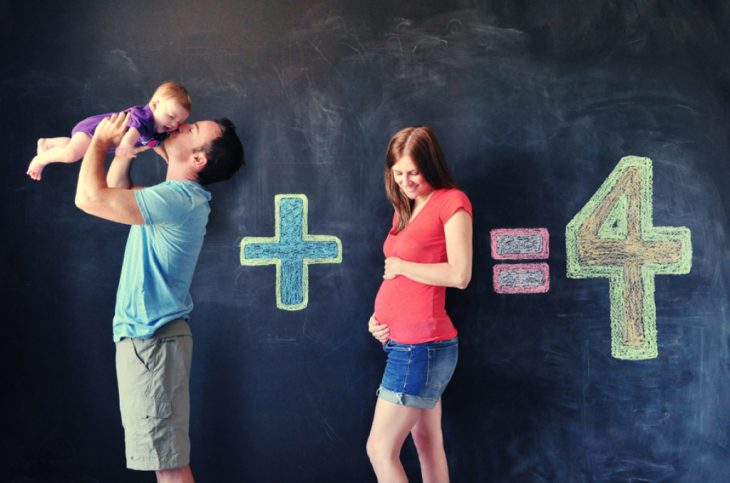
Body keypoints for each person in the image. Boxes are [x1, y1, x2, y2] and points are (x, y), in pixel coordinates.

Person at [75, 111, 244, 482]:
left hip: (151, 341)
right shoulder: (172, 199)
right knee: (163, 460)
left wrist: (101, 141)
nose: (180, 126)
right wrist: (126, 149)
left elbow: (89, 199)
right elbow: (118, 189)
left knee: (168, 466)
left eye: (191, 129)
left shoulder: (178, 199)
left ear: (198, 159)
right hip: (152, 342)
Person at [366, 126, 473, 483]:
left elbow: (460, 274)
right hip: (405, 344)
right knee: (427, 443)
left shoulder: (451, 201)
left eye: (413, 172)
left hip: (422, 347)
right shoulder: (405, 209)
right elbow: (400, 282)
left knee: (380, 450)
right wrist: (378, 319)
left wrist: (401, 267)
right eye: (398, 173)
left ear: (431, 164)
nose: (406, 181)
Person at [27, 81, 191, 180]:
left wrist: (168, 158)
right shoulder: (144, 115)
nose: (174, 124)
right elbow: (135, 129)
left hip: (101, 139)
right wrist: (126, 144)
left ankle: (47, 143)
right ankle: (40, 160)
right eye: (171, 116)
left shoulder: (159, 130)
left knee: (77, 148)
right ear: (154, 105)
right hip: (95, 128)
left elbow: (155, 145)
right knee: (71, 155)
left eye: (180, 121)